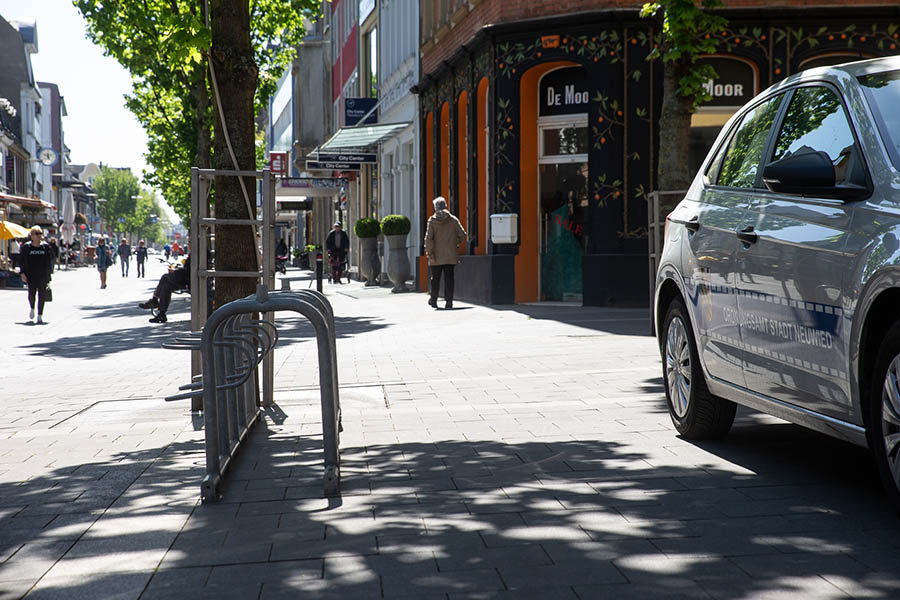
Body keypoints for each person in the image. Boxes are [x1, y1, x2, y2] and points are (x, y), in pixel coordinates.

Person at [424, 196, 467, 310]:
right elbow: (462, 235)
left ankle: (433, 300)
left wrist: (430, 254)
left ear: (435, 208)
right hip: (450, 255)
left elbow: (428, 239)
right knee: (449, 279)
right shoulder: (453, 220)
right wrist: (454, 243)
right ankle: (449, 302)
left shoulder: (432, 221)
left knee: (435, 279)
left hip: (436, 256)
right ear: (446, 206)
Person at [138, 254, 190, 323]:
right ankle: (162, 313)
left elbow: (188, 271)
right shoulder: (194, 254)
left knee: (165, 277)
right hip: (186, 279)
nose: (189, 244)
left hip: (188, 281)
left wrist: (175, 271)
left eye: (189, 242)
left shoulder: (197, 254)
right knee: (166, 286)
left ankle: (154, 300)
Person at [19, 226, 54, 324]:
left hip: (42, 275)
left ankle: (40, 315)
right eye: (37, 233)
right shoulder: (27, 247)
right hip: (31, 275)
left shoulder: (45, 246)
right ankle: (32, 308)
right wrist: (22, 273)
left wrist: (49, 275)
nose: (39, 236)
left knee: (42, 295)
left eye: (40, 233)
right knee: (31, 294)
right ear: (32, 235)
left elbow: (49, 261)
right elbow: (21, 261)